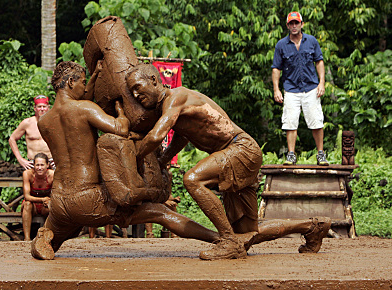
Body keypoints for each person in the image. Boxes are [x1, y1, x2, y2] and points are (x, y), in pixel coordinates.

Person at [125, 63, 331, 260]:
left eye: (137, 88)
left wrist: (132, 158)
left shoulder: (175, 97)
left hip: (239, 149)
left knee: (192, 179)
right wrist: (162, 160)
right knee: (247, 233)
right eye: (131, 91)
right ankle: (313, 227)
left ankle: (228, 242)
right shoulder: (173, 106)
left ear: (153, 80)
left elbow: (155, 137)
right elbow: (182, 137)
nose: (135, 95)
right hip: (239, 152)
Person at [31, 61, 220, 260]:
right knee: (159, 212)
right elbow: (120, 129)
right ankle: (219, 238)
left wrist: (95, 75)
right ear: (70, 82)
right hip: (88, 198)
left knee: (67, 226)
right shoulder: (84, 109)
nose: (85, 88)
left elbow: (72, 113)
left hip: (59, 199)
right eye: (83, 83)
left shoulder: (44, 122)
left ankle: (46, 237)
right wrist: (121, 115)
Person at [272, 11, 329, 166]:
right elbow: (276, 68)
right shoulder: (281, 45)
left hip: (311, 87)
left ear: (302, 24)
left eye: (297, 23)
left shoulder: (311, 41)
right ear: (287, 26)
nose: (294, 26)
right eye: (291, 23)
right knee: (290, 122)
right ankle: (291, 154)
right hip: (291, 88)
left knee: (316, 120)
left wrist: (322, 82)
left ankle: (320, 154)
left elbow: (319, 61)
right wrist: (276, 89)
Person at [9, 95, 54, 170]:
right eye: (39, 107)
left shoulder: (55, 123)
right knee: (27, 178)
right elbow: (12, 139)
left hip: (51, 161)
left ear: (48, 108)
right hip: (32, 162)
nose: (42, 109)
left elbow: (65, 141)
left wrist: (60, 159)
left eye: (44, 106)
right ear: (35, 108)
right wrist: (20, 159)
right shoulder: (27, 123)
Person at [21, 152, 54, 241]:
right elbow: (27, 196)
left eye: (42, 165)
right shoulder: (27, 174)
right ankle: (27, 238)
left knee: (52, 206)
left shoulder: (52, 175)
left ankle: (48, 237)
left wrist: (49, 201)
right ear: (33, 165)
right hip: (33, 205)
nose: (39, 168)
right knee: (27, 204)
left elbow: (57, 193)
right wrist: (42, 199)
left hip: (45, 205)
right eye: (37, 165)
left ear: (47, 165)